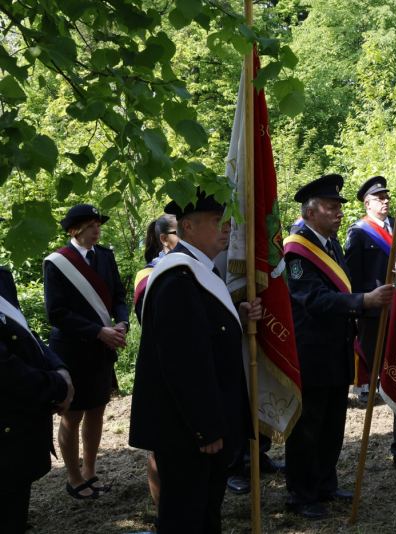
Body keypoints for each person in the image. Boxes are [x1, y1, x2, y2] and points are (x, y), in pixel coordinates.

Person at [129, 190, 260, 533]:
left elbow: (206, 334)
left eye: (227, 220)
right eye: (217, 221)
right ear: (187, 226)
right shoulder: (178, 277)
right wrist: (206, 428)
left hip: (199, 424)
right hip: (187, 430)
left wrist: (236, 316)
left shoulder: (199, 271)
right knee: (186, 516)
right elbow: (184, 362)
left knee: (205, 512)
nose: (228, 227)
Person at [284, 174, 393, 519]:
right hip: (312, 351)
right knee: (308, 426)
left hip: (336, 348)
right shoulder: (297, 250)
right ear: (310, 212)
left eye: (339, 207)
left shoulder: (330, 244)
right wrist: (363, 301)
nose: (339, 212)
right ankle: (301, 494)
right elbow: (313, 299)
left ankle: (324, 484)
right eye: (331, 207)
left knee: (332, 424)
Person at [43, 203, 129, 499]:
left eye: (98, 225)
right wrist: (97, 331)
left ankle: (91, 471)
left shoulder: (105, 256)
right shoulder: (57, 262)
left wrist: (122, 322)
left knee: (97, 410)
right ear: (74, 230)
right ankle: (74, 477)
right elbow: (57, 313)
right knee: (73, 414)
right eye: (91, 225)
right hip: (72, 349)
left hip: (102, 350)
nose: (97, 230)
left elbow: (118, 296)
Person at [1, 267, 74, 533]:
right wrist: (57, 386)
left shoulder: (1, 278)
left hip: (17, 436)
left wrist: (60, 369)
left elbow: (24, 333)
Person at [132, 214, 179, 520]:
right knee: (161, 447)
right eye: (178, 231)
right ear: (164, 239)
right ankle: (163, 512)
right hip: (161, 368)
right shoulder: (147, 275)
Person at [345, 175, 393, 403]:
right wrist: (360, 303)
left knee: (392, 347)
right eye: (379, 198)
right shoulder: (359, 231)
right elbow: (353, 272)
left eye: (386, 197)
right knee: (371, 348)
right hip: (373, 302)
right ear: (367, 203)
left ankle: (389, 385)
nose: (385, 201)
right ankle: (368, 387)